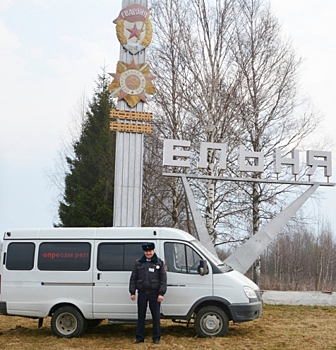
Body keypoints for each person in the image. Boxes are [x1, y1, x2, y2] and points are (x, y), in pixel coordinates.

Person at [129, 242, 167, 344]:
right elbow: (133, 278)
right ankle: (140, 337)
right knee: (141, 316)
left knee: (156, 317)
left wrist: (161, 293)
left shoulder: (159, 263)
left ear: (153, 251)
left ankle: (156, 337)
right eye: (146, 251)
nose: (148, 253)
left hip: (154, 293)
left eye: (150, 251)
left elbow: (163, 280)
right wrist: (132, 292)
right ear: (144, 252)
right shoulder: (138, 263)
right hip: (142, 293)